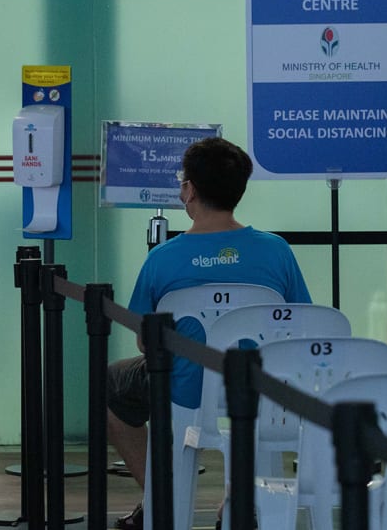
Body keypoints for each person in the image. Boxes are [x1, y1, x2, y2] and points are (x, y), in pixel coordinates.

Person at [108, 137, 311, 530]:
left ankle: (161, 498)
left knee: (111, 386)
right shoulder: (277, 251)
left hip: (183, 390)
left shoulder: (162, 258)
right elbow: (298, 323)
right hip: (259, 389)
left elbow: (145, 340)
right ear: (239, 190)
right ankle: (239, 502)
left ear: (189, 190)